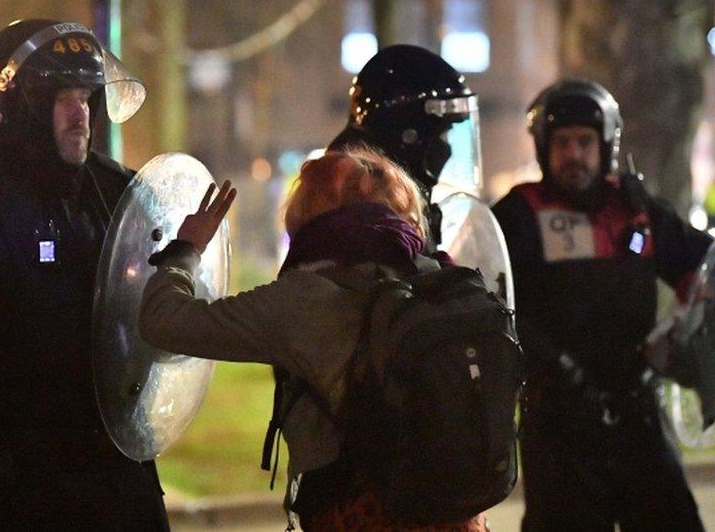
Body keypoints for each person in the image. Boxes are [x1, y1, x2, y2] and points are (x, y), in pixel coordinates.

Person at [140, 148, 488, 531]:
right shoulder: (438, 277)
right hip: (459, 513)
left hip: (360, 514)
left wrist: (185, 250)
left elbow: (164, 320)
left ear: (308, 209)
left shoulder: (304, 298)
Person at [0, 20, 167, 529]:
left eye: (86, 96)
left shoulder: (119, 191)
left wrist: (184, 255)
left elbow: (153, 315)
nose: (79, 114)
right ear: (12, 107)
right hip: (19, 474)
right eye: (60, 98)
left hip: (115, 465)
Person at [492, 78, 710, 531]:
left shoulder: (636, 210)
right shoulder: (517, 215)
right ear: (543, 147)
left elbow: (702, 265)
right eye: (563, 142)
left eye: (585, 142)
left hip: (636, 408)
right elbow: (496, 308)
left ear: (606, 144)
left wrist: (685, 337)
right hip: (558, 420)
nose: (574, 154)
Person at [328, 45, 482, 242]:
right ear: (410, 134)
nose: (447, 149)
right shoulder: (363, 214)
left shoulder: (378, 201)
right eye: (442, 134)